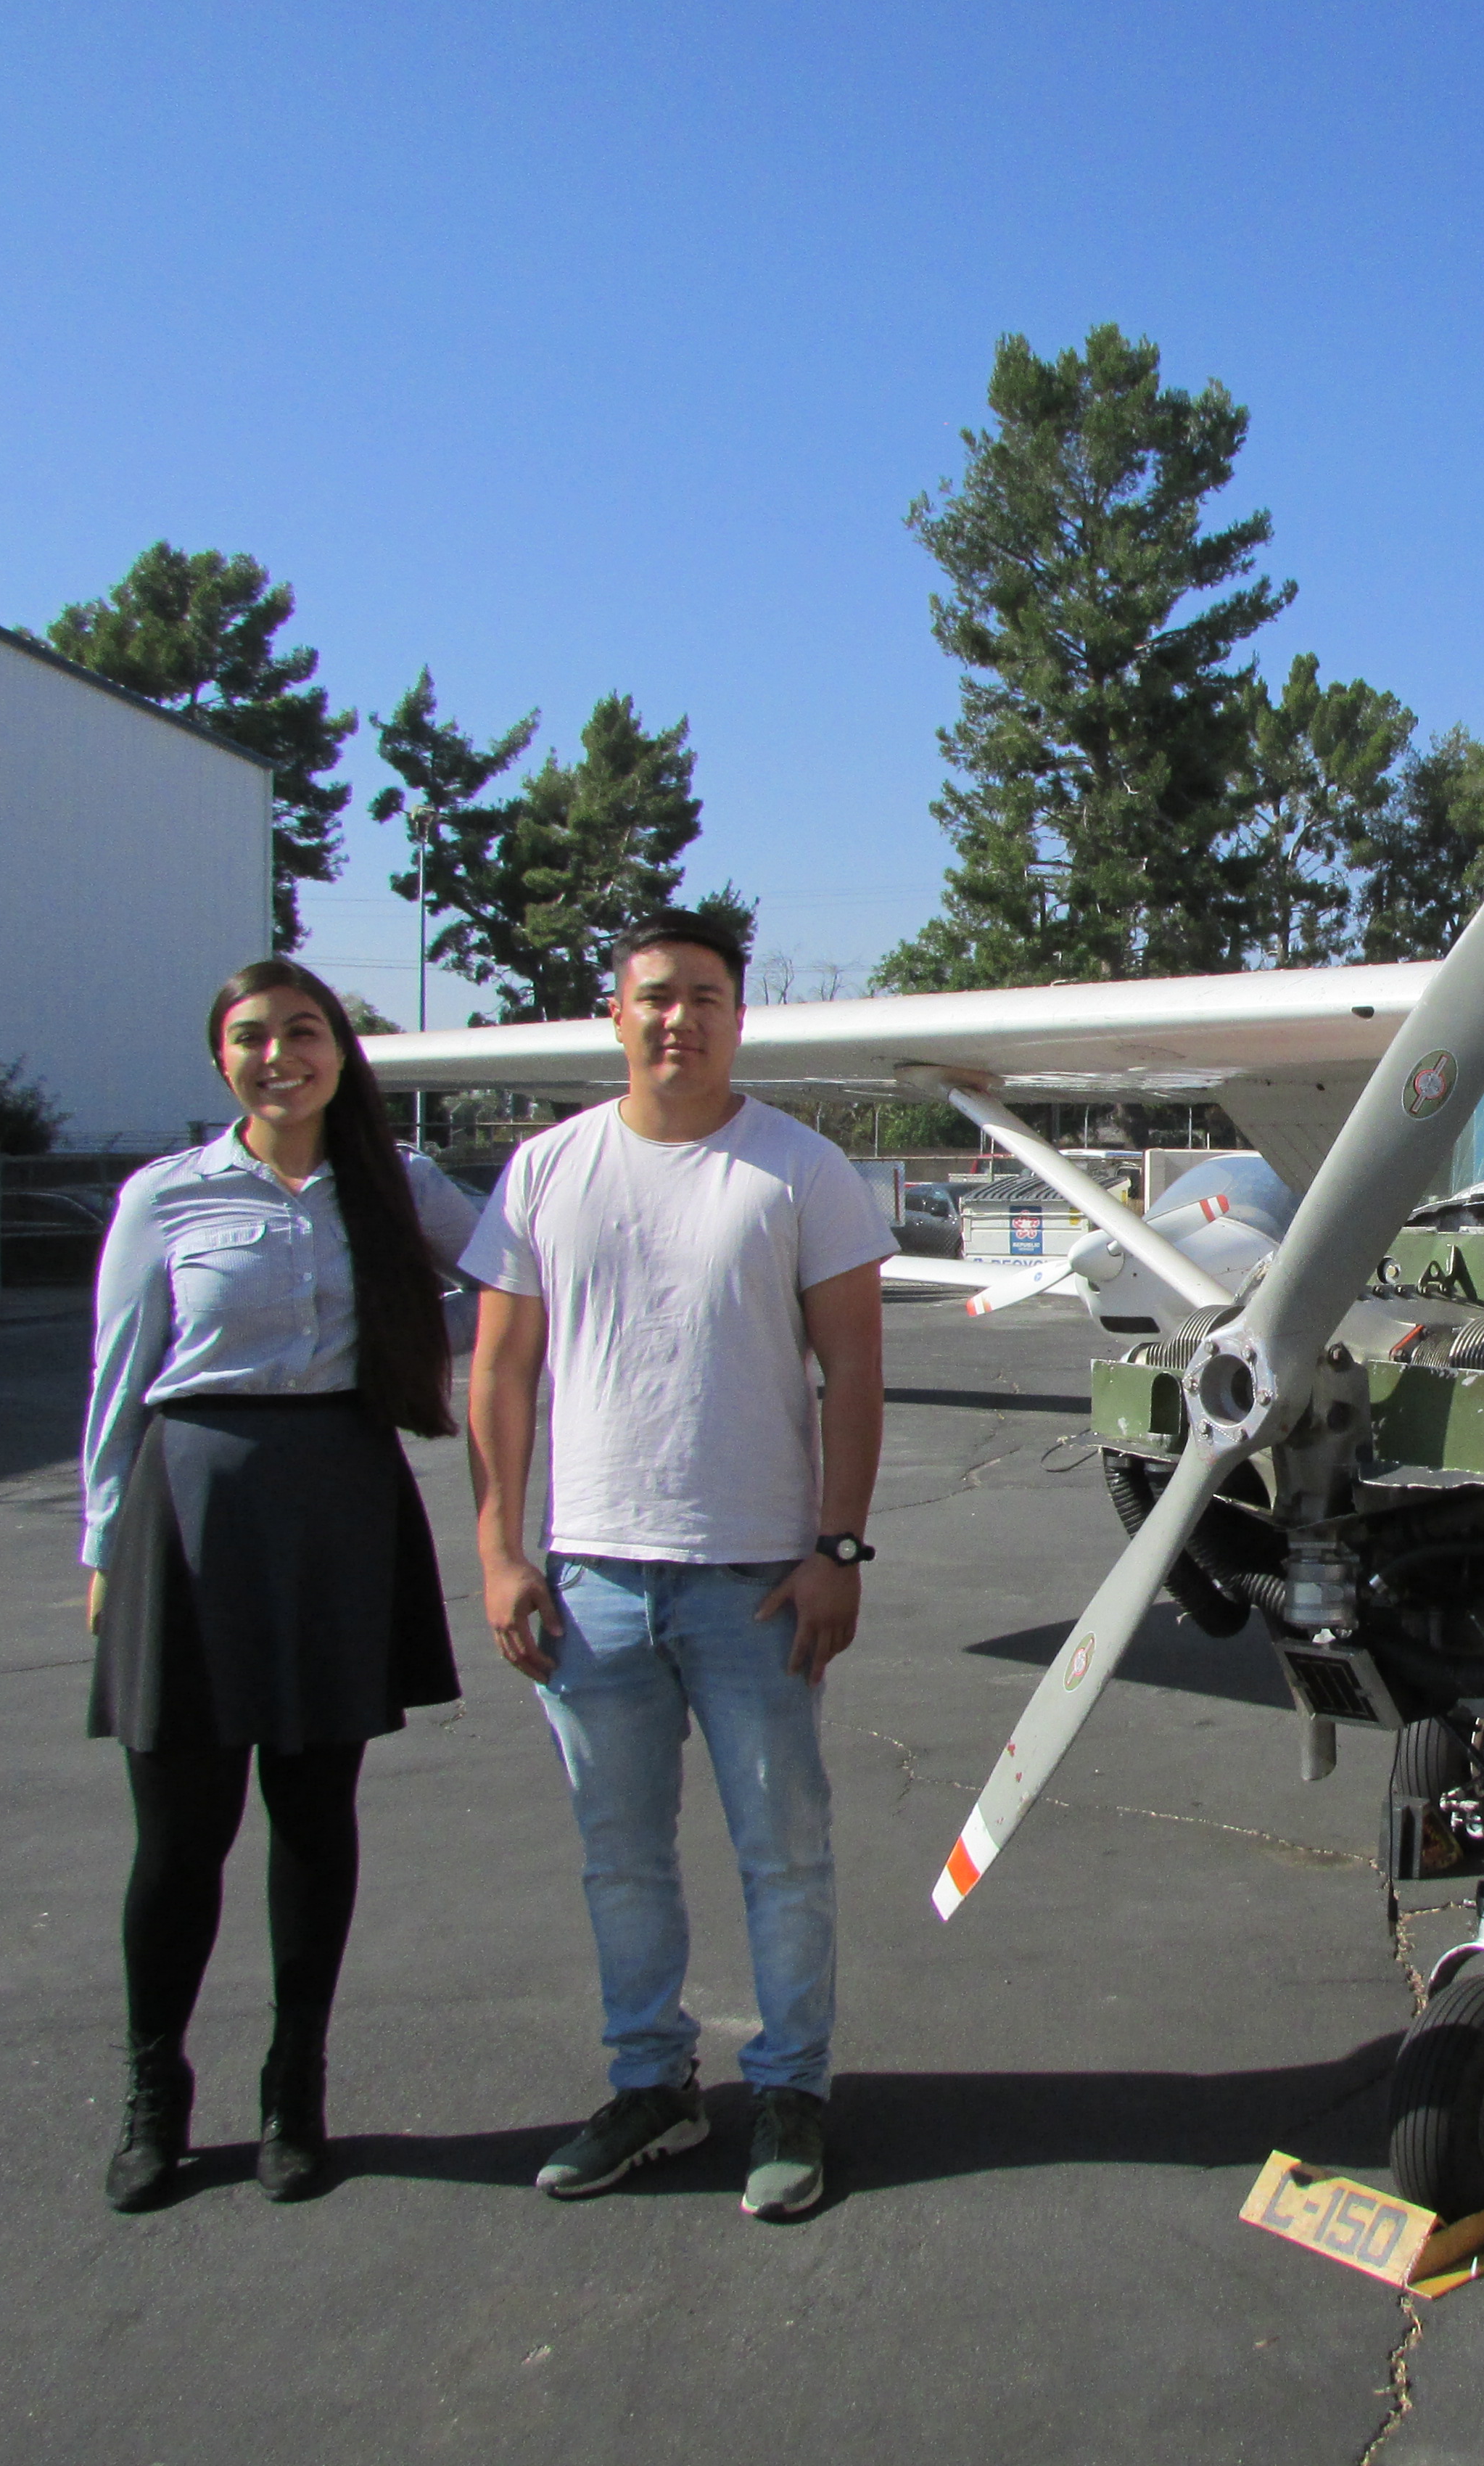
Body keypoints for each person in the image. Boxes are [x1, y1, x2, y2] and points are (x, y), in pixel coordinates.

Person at [461, 909, 893, 2223]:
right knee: (622, 1857)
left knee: (785, 1851)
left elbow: (857, 1372)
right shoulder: (545, 1171)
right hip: (592, 1582)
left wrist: (837, 1549)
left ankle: (791, 2092)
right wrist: (496, 1550)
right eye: (655, 996)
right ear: (615, 1013)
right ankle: (651, 2085)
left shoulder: (800, 1170)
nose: (678, 1021)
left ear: (737, 1018)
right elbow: (500, 1372)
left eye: (704, 997)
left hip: (757, 1582)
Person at [82, 961, 477, 2210]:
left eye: (303, 1034)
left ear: (339, 1054)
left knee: (314, 1819)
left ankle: (292, 2093)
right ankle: (155, 2097)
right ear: (221, 1061)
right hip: (192, 1511)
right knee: (181, 1836)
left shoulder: (397, 1188)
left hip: (339, 1506)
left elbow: (527, 1267)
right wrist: (102, 1549)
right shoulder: (167, 1197)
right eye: (252, 1038)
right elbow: (117, 1376)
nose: (279, 1057)